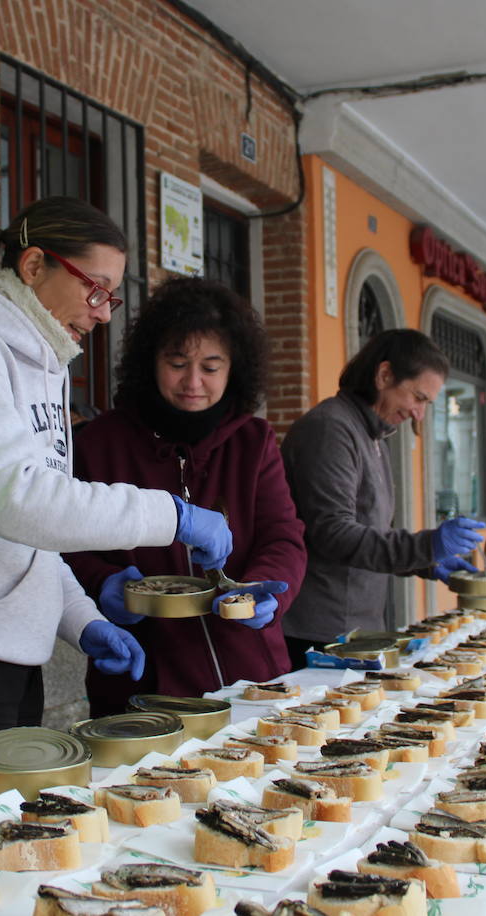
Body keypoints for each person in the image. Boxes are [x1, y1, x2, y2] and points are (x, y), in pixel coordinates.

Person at [0, 198, 233, 783]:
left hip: (10, 660)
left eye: (112, 296)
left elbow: (33, 532)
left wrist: (81, 620)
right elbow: (16, 499)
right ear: (34, 266)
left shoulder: (46, 360)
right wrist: (172, 515)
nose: (104, 313)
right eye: (96, 289)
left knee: (3, 837)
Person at [65, 278, 308, 715]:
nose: (193, 382)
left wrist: (266, 589)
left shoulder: (254, 441)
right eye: (177, 363)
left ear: (235, 369)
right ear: (149, 362)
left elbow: (284, 536)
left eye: (211, 367)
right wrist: (102, 584)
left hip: (252, 679)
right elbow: (66, 547)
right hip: (141, 682)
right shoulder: (98, 444)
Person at [279, 329, 486, 669]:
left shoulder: (372, 434)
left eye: (427, 404)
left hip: (354, 626)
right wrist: (425, 545)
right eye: (418, 398)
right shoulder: (330, 428)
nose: (419, 414)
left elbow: (373, 530)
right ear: (385, 374)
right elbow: (333, 532)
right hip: (319, 631)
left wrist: (427, 562)